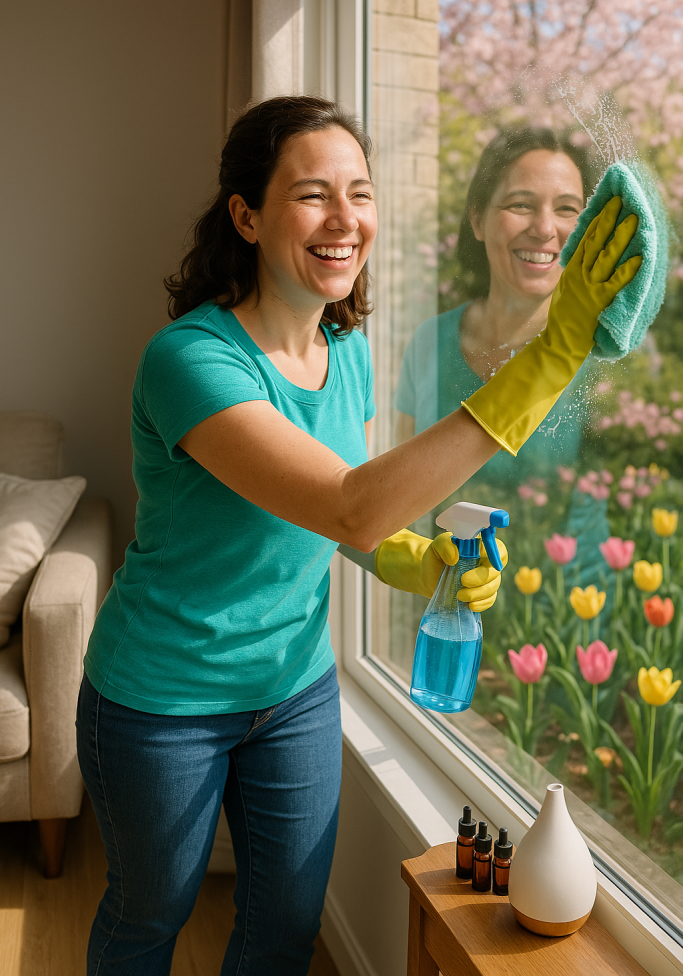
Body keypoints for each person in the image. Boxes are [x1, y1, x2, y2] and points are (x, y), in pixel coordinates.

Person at [76, 97, 639, 975]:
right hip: (163, 699)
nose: (344, 219)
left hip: (294, 688)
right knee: (152, 914)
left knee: (285, 927)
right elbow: (348, 506)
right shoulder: (190, 360)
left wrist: (417, 557)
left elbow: (349, 521)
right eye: (312, 195)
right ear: (247, 216)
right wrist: (553, 352)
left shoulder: (348, 353)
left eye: (360, 193)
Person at [396, 128, 611, 581]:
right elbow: (400, 496)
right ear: (477, 219)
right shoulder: (429, 342)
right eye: (520, 205)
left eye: (567, 209)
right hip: (444, 597)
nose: (545, 229)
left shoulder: (603, 357)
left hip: (570, 604)